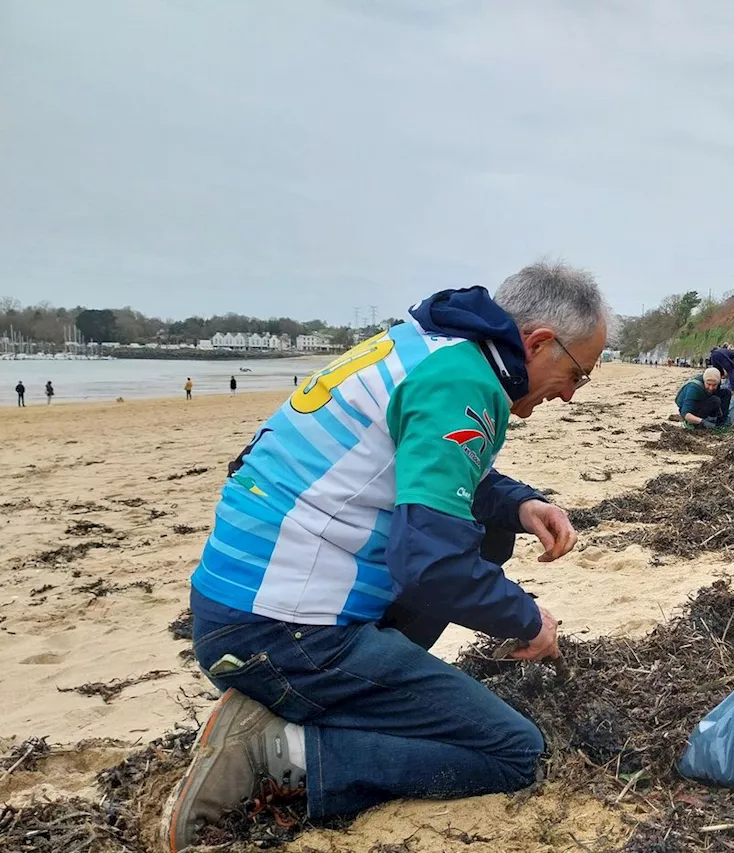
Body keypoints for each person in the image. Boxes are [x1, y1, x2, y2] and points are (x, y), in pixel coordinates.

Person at [164, 262, 609, 852]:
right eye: (577, 374)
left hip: (240, 608)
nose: (572, 394)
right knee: (512, 752)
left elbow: (422, 467)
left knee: (485, 531)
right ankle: (277, 754)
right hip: (282, 631)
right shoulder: (465, 382)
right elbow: (429, 563)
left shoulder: (430, 345)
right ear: (538, 342)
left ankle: (309, 703)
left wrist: (518, 504)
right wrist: (527, 620)